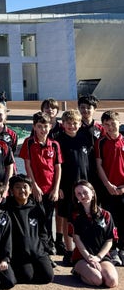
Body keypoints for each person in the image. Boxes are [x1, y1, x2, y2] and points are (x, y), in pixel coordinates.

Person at [19, 111, 62, 254]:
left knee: (48, 218)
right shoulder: (29, 142)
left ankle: (49, 246)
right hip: (36, 189)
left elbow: (57, 168)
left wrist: (56, 189)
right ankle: (39, 247)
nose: (43, 129)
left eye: (45, 126)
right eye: (39, 126)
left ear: (50, 126)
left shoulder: (54, 145)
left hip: (50, 189)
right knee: (37, 218)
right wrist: (34, 186)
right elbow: (28, 165)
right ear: (34, 127)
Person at [57, 109, 94, 264]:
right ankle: (68, 249)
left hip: (84, 185)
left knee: (85, 217)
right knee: (67, 219)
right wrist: (58, 187)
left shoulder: (85, 138)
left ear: (79, 124)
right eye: (69, 123)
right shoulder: (59, 141)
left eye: (75, 123)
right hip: (67, 187)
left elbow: (91, 163)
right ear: (63, 124)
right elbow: (56, 167)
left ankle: (84, 250)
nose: (72, 126)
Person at [4, 175, 54, 284]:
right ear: (11, 190)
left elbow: (43, 232)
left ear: (31, 190)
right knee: (26, 277)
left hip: (37, 251)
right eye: (17, 187)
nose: (22, 190)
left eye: (25, 187)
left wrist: (43, 247)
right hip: (19, 253)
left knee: (48, 277)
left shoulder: (36, 208)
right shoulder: (6, 208)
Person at [68, 180, 118, 288]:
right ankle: (77, 271)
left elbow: (109, 240)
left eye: (85, 192)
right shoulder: (74, 216)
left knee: (111, 281)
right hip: (82, 256)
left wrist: (98, 257)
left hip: (101, 256)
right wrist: (89, 257)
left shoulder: (106, 215)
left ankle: (94, 270)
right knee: (98, 280)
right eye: (78, 194)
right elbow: (77, 240)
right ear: (76, 197)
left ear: (92, 192)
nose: (82, 196)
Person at [93, 110, 124, 264]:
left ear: (119, 123)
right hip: (108, 189)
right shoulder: (100, 142)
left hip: (123, 188)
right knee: (110, 220)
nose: (110, 127)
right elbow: (99, 165)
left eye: (113, 124)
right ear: (103, 126)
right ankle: (112, 250)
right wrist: (107, 184)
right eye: (107, 125)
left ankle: (122, 249)